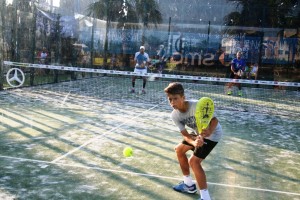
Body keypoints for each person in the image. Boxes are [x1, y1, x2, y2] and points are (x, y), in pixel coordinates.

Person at [164, 82, 223, 200]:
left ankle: (205, 198)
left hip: (213, 134)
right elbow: (185, 135)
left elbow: (214, 120)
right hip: (198, 133)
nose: (172, 103)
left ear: (183, 97)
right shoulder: (175, 115)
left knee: (194, 162)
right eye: (170, 99)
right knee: (179, 150)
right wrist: (194, 142)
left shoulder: (197, 105)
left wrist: (209, 132)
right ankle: (188, 185)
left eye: (175, 99)